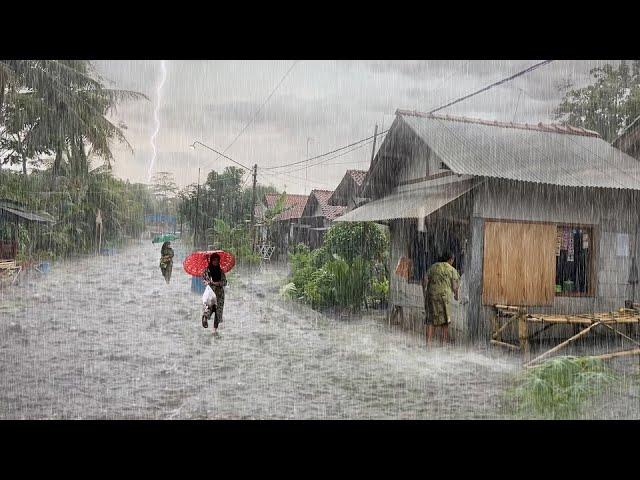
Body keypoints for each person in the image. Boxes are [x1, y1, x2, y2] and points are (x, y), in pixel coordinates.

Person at [422, 250, 460, 346]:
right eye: (453, 260)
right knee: (445, 321)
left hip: (431, 295)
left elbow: (425, 280)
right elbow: (455, 286)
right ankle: (443, 346)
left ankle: (428, 345)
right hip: (444, 297)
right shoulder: (452, 270)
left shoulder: (434, 266)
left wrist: (425, 293)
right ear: (451, 260)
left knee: (430, 320)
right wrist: (456, 295)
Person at [202, 253, 227, 333]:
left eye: (217, 260)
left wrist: (217, 283)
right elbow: (204, 279)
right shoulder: (207, 270)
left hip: (219, 294)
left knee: (217, 311)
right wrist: (208, 282)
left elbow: (225, 282)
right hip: (211, 292)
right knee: (211, 308)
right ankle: (205, 317)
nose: (216, 262)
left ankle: (214, 330)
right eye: (214, 260)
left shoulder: (220, 271)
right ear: (211, 260)